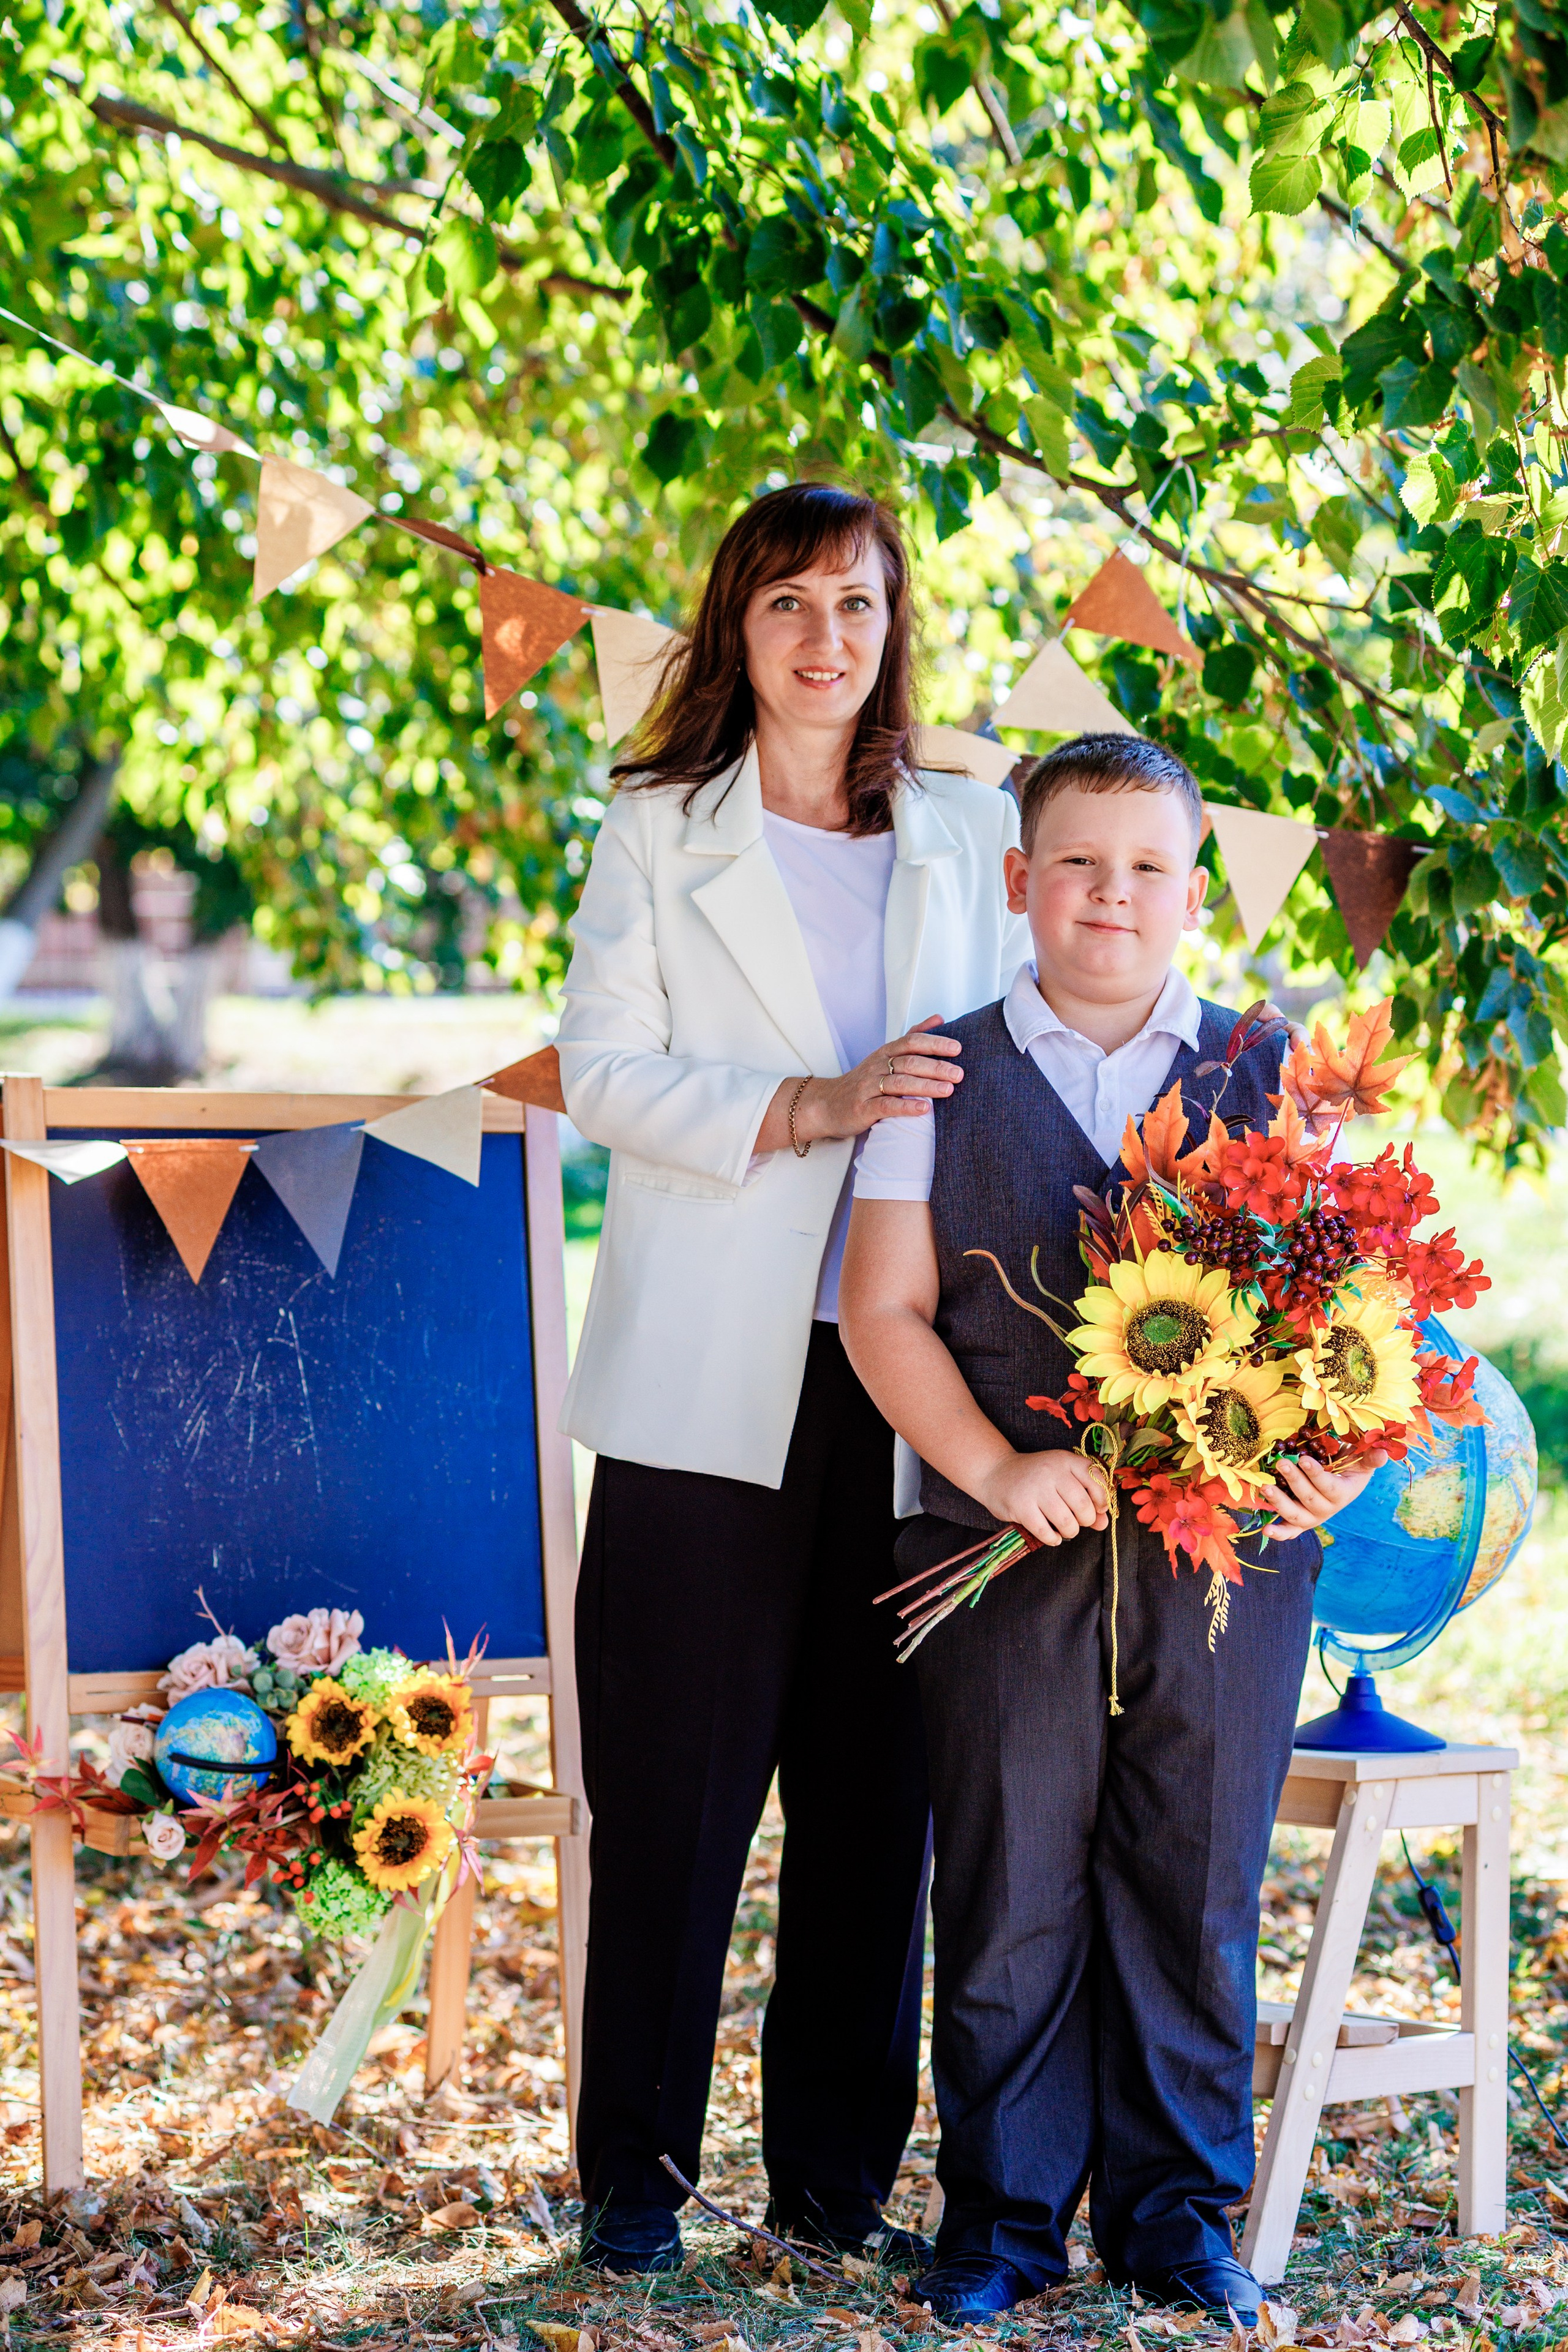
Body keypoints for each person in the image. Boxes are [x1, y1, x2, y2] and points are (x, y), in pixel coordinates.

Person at [839, 733, 1385, 2324]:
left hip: (1231, 1557)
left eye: (1151, 865)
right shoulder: (935, 1071)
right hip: (993, 1533)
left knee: (1197, 1864)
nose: (1112, 894)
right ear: (1019, 881)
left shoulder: (1269, 1074)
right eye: (1078, 861)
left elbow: (1361, 1314)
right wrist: (993, 1470)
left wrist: (1336, 1463)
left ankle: (1176, 2216)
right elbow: (885, 1312)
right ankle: (1003, 2220)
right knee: (1007, 1867)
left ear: (1195, 889)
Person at [554, 482, 1030, 2274]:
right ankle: (634, 2181)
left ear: (896, 622)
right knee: (676, 1788)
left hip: (922, 1377)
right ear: (732, 633)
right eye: (786, 607)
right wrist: (806, 1107)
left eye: (858, 602)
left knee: (878, 1790)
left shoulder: (977, 828)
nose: (827, 638)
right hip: (704, 1377)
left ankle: (832, 2185)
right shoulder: (657, 829)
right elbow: (602, 1070)